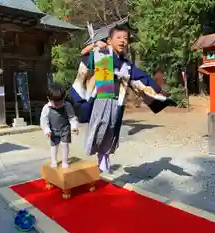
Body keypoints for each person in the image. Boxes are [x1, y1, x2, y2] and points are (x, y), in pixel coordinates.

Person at [70, 25, 176, 173]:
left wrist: (158, 93)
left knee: (112, 130)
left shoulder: (126, 64)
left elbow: (141, 79)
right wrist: (95, 46)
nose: (122, 41)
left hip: (117, 101)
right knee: (99, 127)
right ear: (109, 40)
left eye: (125, 38)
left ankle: (104, 159)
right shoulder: (102, 53)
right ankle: (99, 157)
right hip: (101, 97)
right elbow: (84, 56)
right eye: (118, 38)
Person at [40, 83, 79, 168]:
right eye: (55, 103)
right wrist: (46, 129)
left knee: (64, 144)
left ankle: (65, 161)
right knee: (54, 146)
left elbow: (72, 117)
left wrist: (74, 126)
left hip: (65, 129)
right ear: (48, 99)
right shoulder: (46, 108)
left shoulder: (67, 105)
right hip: (53, 130)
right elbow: (44, 120)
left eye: (60, 103)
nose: (58, 105)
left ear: (63, 98)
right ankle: (54, 160)